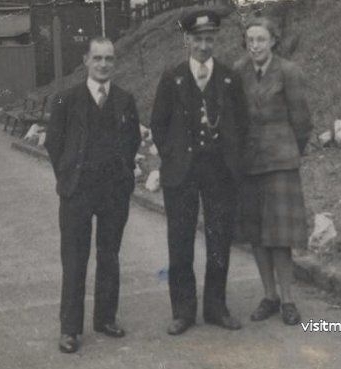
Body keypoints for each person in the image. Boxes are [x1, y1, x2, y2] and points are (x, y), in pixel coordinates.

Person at [150, 9, 248, 335]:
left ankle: (216, 307)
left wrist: (232, 159)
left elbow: (242, 124)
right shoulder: (172, 77)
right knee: (180, 242)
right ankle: (183, 311)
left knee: (219, 240)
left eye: (209, 39)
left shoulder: (230, 77)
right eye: (198, 39)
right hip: (182, 173)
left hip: (219, 172)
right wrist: (173, 156)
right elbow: (158, 124)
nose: (204, 46)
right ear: (187, 40)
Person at [45, 37, 141, 353]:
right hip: (77, 192)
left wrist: (124, 173)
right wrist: (68, 176)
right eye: (97, 58)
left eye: (109, 59)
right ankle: (70, 329)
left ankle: (105, 318)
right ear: (86, 60)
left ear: (115, 62)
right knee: (74, 259)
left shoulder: (125, 100)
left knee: (109, 256)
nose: (103, 64)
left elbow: (132, 141)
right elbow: (53, 144)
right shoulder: (65, 99)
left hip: (113, 192)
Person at [234, 17, 313, 325]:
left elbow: (302, 123)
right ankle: (269, 295)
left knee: (280, 236)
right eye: (250, 40)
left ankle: (289, 300)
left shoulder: (289, 72)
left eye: (261, 40)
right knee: (257, 234)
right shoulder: (239, 72)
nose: (255, 45)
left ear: (273, 41)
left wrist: (290, 151)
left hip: (281, 162)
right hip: (250, 163)